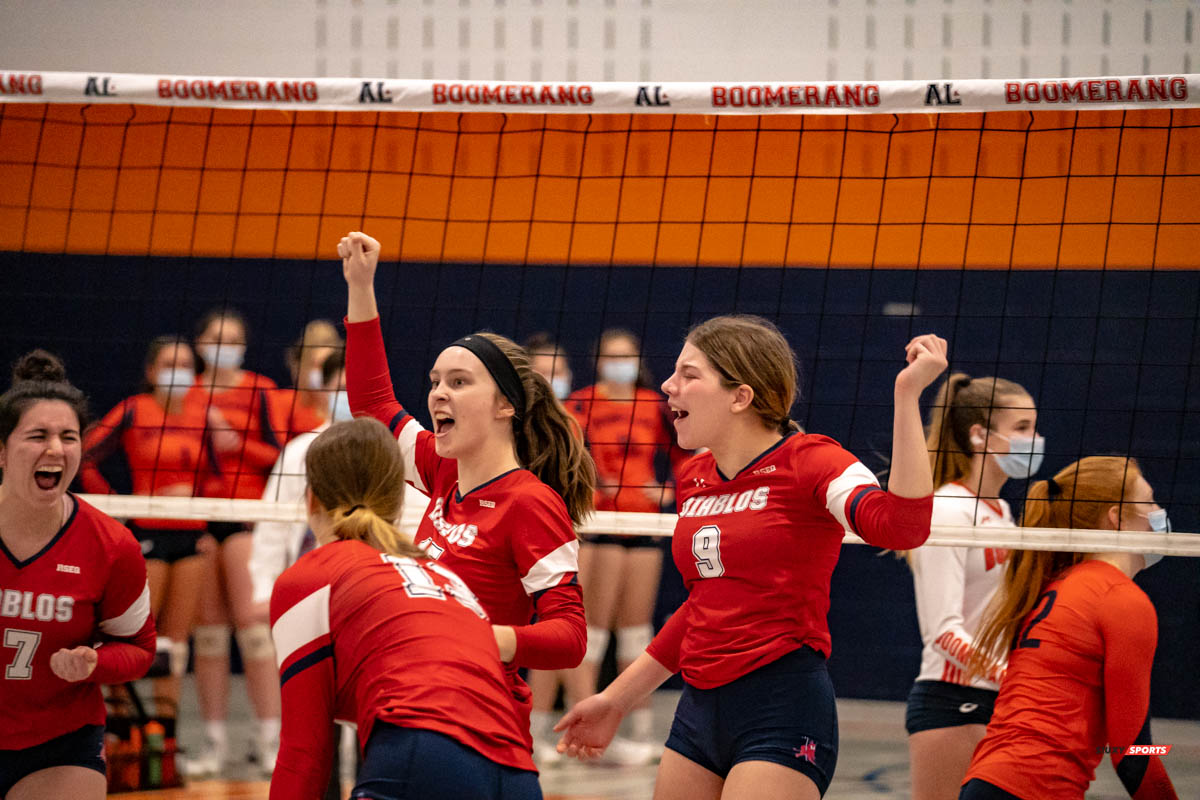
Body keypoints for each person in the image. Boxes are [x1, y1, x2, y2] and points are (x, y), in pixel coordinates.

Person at [556, 315, 946, 800]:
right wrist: (616, 699)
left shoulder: (813, 461)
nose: (668, 385)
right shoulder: (696, 475)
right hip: (699, 709)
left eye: (689, 375)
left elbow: (903, 528)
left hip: (781, 705)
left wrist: (906, 397)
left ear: (740, 397)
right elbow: (703, 607)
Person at [339, 230, 595, 753]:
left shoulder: (529, 503)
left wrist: (471, 637)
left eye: (459, 382)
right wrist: (361, 287)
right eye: (435, 380)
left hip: (482, 725)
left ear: (506, 406)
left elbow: (569, 637)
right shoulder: (443, 470)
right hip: (419, 706)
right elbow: (372, 404)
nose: (437, 393)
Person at [269, 417, 540, 800]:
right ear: (397, 501)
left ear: (311, 499)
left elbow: (305, 752)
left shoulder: (310, 577)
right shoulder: (446, 577)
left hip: (422, 753)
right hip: (518, 770)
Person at [961, 457, 1177, 800]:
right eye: (1149, 501)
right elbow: (1131, 752)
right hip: (1034, 788)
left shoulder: (1057, 585)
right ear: (1117, 517)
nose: (1159, 512)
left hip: (987, 782)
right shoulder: (1122, 601)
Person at [0, 350, 156, 800]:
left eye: (69, 436)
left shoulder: (111, 545)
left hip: (59, 744)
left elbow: (139, 649)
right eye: (38, 435)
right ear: (2, 450)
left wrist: (93, 663)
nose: (56, 449)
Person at [905, 374, 1041, 800]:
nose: (1034, 440)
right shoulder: (947, 510)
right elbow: (943, 632)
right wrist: (1013, 679)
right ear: (980, 434)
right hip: (952, 700)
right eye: (1022, 429)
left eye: (1033, 428)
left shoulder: (1000, 510)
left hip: (996, 699)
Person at [559, 328, 681, 765]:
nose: (619, 363)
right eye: (611, 356)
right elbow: (563, 452)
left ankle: (642, 734)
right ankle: (586, 728)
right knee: (593, 632)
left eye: (626, 355)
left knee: (637, 633)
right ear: (598, 361)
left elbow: (691, 455)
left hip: (646, 523)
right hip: (603, 522)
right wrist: (591, 482)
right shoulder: (581, 402)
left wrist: (668, 489)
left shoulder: (656, 405)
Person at [80, 335, 217, 717]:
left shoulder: (202, 412)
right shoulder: (134, 409)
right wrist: (117, 510)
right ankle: (122, 725)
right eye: (171, 364)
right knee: (133, 634)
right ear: (152, 371)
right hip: (148, 532)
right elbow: (85, 458)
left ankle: (164, 734)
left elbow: (218, 477)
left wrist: (203, 514)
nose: (180, 372)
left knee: (176, 643)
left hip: (191, 534)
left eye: (187, 364)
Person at [189, 307, 283, 776]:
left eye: (234, 338)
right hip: (199, 519)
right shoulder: (184, 392)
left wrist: (235, 444)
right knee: (208, 634)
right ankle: (213, 745)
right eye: (216, 337)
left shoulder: (261, 389)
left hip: (247, 516)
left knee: (253, 627)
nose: (224, 346)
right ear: (201, 342)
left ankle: (270, 742)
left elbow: (284, 456)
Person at [273, 319, 341, 442]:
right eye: (317, 365)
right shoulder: (285, 403)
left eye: (328, 365)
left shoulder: (345, 406)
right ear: (303, 367)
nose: (323, 371)